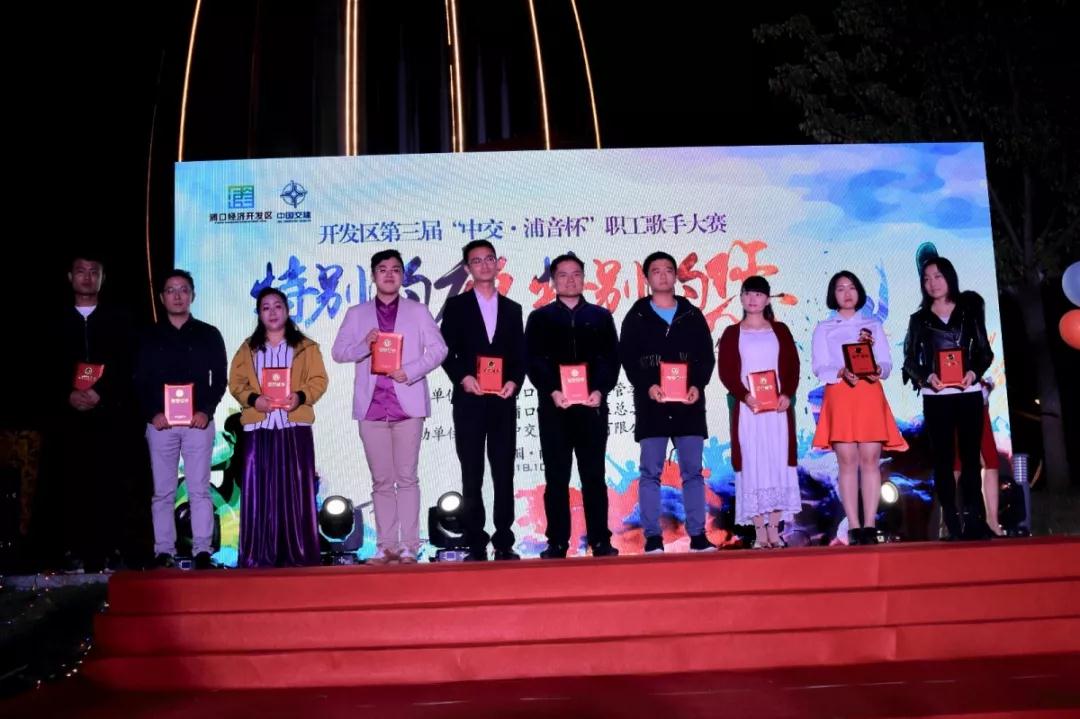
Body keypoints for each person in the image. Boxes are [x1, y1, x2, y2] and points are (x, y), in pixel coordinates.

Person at [331, 250, 447, 564]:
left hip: (407, 405)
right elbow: (339, 353)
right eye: (382, 269)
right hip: (371, 408)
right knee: (381, 481)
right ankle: (385, 546)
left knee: (407, 478)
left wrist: (410, 371)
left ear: (402, 276)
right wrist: (364, 346)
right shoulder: (357, 314)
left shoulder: (417, 311)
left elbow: (439, 349)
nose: (389, 275)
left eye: (396, 269)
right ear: (373, 275)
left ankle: (409, 546)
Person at [36, 254, 144, 572]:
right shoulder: (53, 322)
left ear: (103, 278)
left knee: (110, 485)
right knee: (68, 484)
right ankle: (70, 551)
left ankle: (109, 550)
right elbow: (40, 369)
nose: (87, 277)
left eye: (93, 272)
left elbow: (130, 365)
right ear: (70, 277)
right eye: (81, 271)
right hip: (67, 419)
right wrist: (67, 395)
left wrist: (102, 392)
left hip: (110, 417)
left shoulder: (121, 321)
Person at [619, 251, 717, 554]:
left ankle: (698, 535)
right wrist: (647, 386)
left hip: (689, 406)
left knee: (693, 472)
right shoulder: (636, 316)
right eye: (656, 271)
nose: (662, 276)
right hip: (653, 406)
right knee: (650, 473)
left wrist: (697, 385)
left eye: (668, 270)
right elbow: (628, 358)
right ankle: (653, 538)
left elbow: (706, 356)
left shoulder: (691, 315)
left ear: (676, 276)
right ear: (647, 278)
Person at [525, 253, 620, 559]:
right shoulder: (539, 318)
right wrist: (552, 390)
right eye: (563, 275)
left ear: (584, 278)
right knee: (556, 478)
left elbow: (610, 359)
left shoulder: (600, 317)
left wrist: (600, 390)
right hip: (555, 408)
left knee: (593, 476)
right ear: (553, 281)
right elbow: (534, 360)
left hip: (592, 408)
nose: (570, 280)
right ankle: (557, 542)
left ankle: (601, 540)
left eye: (576, 274)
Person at [229, 286, 328, 568]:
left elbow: (319, 380)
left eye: (277, 306)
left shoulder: (306, 347)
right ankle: (257, 555)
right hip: (259, 427)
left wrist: (300, 397)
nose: (272, 312)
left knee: (297, 491)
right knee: (259, 492)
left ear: (287, 310)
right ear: (259, 314)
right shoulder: (248, 349)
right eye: (266, 308)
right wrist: (253, 400)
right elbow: (236, 383)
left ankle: (299, 553)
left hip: (294, 426)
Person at [440, 240, 526, 561]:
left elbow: (520, 355)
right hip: (469, 401)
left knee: (504, 471)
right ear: (467, 268)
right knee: (472, 471)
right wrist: (463, 377)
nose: (485, 265)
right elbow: (446, 351)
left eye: (490, 259)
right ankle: (475, 537)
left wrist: (514, 382)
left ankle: (504, 537)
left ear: (497, 263)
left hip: (503, 401)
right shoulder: (457, 307)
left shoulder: (513, 309)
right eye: (477, 261)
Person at [134, 270, 227, 569]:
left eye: (183, 290)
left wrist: (206, 411)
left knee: (200, 489)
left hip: (197, 423)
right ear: (162, 297)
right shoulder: (147, 336)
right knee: (163, 491)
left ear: (193, 295)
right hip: (160, 424)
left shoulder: (209, 334)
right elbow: (138, 379)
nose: (177, 296)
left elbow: (220, 379)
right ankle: (164, 550)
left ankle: (203, 550)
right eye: (171, 290)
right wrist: (153, 413)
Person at [811, 270, 908, 546]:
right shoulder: (824, 327)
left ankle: (870, 525)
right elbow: (819, 367)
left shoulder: (873, 325)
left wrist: (879, 370)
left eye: (852, 287)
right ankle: (854, 525)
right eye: (840, 288)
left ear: (859, 292)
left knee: (870, 460)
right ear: (833, 295)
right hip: (840, 395)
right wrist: (840, 371)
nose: (847, 293)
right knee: (847, 462)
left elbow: (886, 363)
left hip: (869, 394)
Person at [902, 257, 994, 540]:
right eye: (927, 279)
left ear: (950, 277)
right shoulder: (919, 319)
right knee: (943, 460)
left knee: (970, 459)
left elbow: (985, 352)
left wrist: (973, 372)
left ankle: (975, 521)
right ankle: (952, 524)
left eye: (938, 276)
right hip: (936, 397)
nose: (932, 283)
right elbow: (909, 360)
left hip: (968, 395)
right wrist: (927, 376)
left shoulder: (969, 312)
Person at [717, 276, 801, 549]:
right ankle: (759, 531)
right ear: (741, 297)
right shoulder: (732, 333)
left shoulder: (781, 330)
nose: (753, 299)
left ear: (767, 299)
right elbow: (726, 372)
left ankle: (774, 529)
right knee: (752, 464)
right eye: (748, 293)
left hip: (777, 411)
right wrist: (745, 396)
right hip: (748, 410)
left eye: (758, 294)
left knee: (777, 463)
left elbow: (793, 367)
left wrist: (786, 394)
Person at [952, 379, 1004, 536]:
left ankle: (993, 522)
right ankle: (948, 522)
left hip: (977, 398)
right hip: (951, 397)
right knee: (955, 463)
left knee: (991, 460)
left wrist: (986, 386)